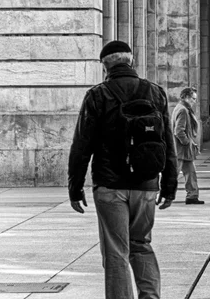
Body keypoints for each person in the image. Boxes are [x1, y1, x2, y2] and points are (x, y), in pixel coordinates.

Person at [68, 40, 178, 299]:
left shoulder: (97, 95)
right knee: (142, 245)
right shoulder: (155, 92)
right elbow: (167, 142)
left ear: (104, 67)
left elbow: (81, 145)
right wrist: (169, 186)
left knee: (116, 252)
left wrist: (75, 187)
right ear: (132, 61)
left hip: (110, 186)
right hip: (146, 185)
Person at [172, 87, 204, 205]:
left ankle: (192, 196)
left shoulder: (182, 108)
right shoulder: (183, 110)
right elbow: (179, 131)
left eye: (195, 99)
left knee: (191, 172)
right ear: (185, 97)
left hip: (184, 150)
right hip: (180, 149)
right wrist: (187, 142)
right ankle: (158, 194)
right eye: (193, 98)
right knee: (173, 174)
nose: (194, 101)